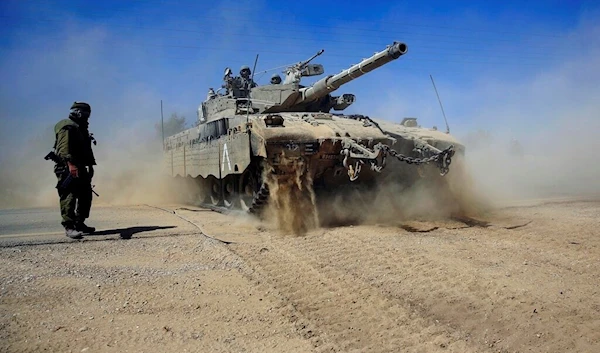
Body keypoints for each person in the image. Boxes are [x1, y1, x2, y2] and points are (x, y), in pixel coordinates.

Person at [52, 101, 97, 238]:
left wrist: (88, 167)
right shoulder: (67, 126)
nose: (87, 118)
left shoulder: (79, 127)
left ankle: (79, 222)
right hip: (68, 167)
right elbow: (63, 149)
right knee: (69, 196)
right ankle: (69, 226)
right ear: (78, 113)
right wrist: (70, 165)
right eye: (86, 114)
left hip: (80, 166)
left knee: (85, 195)